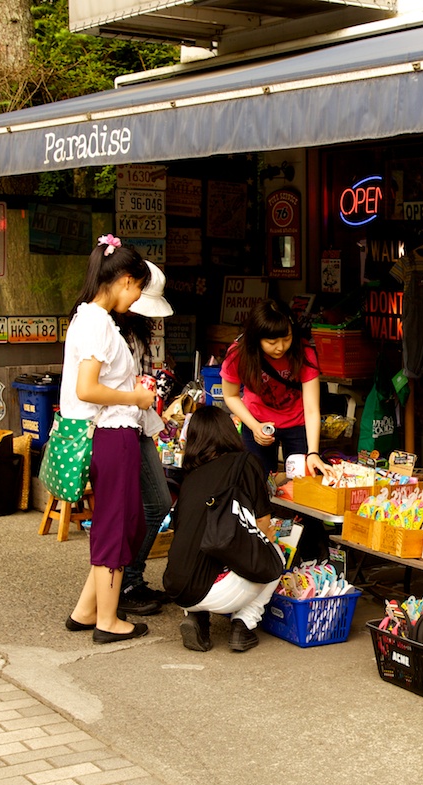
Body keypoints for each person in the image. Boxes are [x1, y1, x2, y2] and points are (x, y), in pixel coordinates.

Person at [63, 235, 158, 644]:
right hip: (112, 433)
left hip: (111, 433)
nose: (136, 299)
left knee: (126, 521)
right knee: (116, 524)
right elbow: (87, 389)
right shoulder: (98, 322)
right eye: (137, 289)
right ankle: (108, 620)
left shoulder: (88, 317)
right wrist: (136, 397)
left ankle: (87, 610)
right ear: (124, 281)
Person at [162, 404, 281, 652]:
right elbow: (262, 523)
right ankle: (244, 625)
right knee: (275, 556)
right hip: (220, 592)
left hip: (178, 588)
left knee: (202, 554)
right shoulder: (244, 462)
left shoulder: (189, 478)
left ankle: (196, 617)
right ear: (229, 431)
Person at [115, 261, 175, 616]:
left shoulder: (136, 331)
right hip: (117, 428)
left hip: (138, 425)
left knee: (157, 504)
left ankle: (132, 579)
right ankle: (124, 584)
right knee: (135, 509)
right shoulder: (104, 328)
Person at [220, 299, 332, 479]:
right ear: (256, 338)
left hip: (298, 424)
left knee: (301, 483)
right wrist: (254, 426)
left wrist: (313, 452)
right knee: (259, 481)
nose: (280, 347)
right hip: (257, 420)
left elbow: (312, 409)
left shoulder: (303, 351)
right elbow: (230, 396)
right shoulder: (239, 353)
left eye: (286, 339)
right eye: (272, 342)